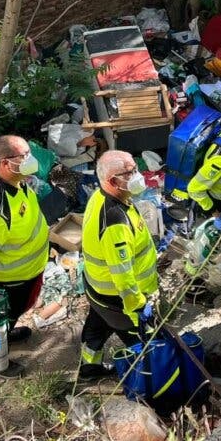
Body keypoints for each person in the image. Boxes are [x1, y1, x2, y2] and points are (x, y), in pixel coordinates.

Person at [0, 135, 51, 377]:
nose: (30, 160)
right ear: (5, 163)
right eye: (23, 157)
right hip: (6, 280)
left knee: (10, 317)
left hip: (22, 274)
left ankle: (8, 329)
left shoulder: (11, 179)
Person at [77, 150, 159, 380]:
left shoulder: (101, 196)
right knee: (143, 343)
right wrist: (138, 307)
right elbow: (123, 275)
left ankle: (89, 367)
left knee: (96, 327)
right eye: (130, 172)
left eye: (135, 168)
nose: (138, 175)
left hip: (97, 288)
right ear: (113, 181)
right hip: (119, 299)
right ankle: (149, 383)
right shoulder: (115, 221)